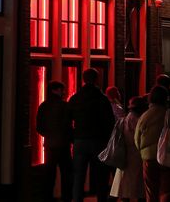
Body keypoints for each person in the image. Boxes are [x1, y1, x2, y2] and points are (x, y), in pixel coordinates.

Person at [68, 68, 115, 202]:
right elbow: (109, 121)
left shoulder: (75, 98)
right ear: (96, 80)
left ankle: (77, 199)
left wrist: (74, 136)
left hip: (80, 140)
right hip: (98, 141)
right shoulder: (102, 99)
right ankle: (101, 198)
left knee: (79, 175)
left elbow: (67, 119)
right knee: (101, 174)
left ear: (83, 80)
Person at [135, 85, 170, 202]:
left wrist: (143, 152)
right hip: (168, 157)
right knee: (167, 191)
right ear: (165, 98)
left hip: (149, 159)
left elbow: (137, 140)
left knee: (151, 192)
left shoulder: (144, 116)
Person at [36, 81, 73, 202]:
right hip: (63, 145)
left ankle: (47, 197)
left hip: (50, 145)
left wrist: (48, 135)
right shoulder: (65, 106)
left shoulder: (43, 106)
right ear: (55, 90)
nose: (63, 92)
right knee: (66, 174)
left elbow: (39, 127)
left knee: (49, 175)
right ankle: (66, 197)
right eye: (61, 90)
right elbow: (68, 125)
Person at [110, 96, 148, 202]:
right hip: (138, 155)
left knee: (124, 186)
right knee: (140, 187)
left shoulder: (123, 121)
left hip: (124, 155)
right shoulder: (142, 121)